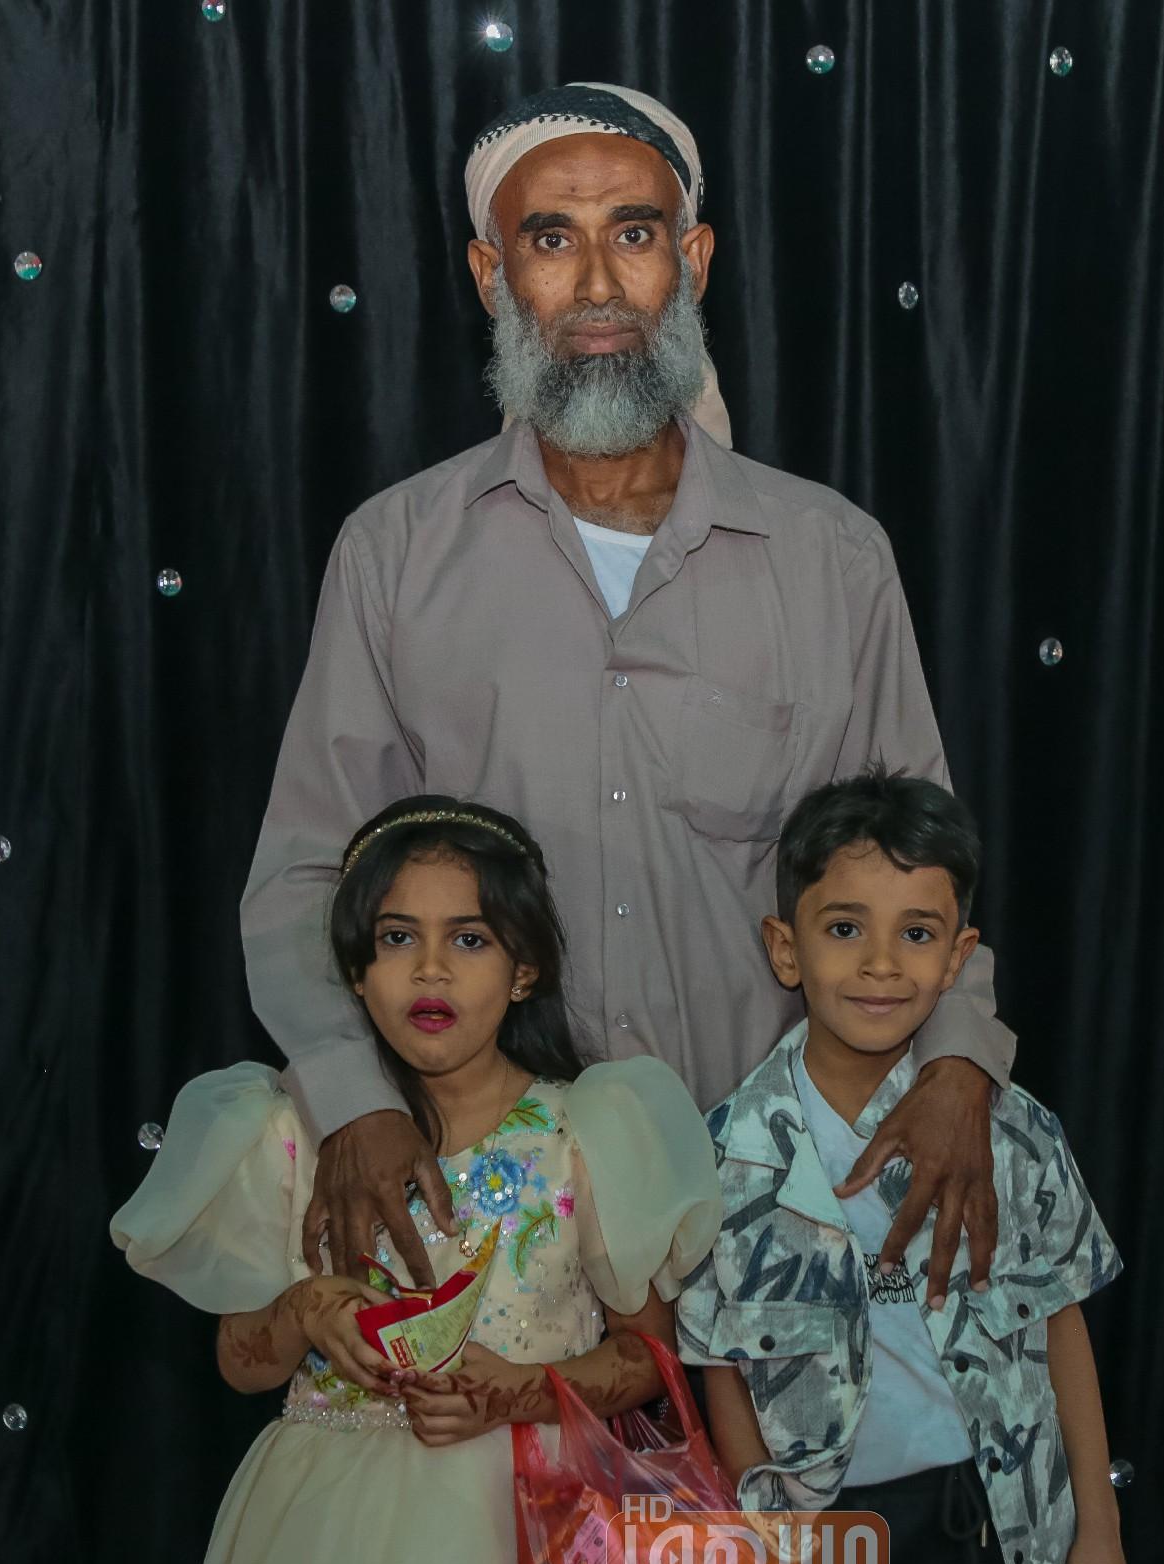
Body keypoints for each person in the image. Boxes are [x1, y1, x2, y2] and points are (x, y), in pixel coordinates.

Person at [241, 81, 1015, 1321]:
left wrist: (961, 1063)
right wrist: (354, 1100)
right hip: (490, 1222)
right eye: (551, 238)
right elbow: (304, 874)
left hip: (773, 1206)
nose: (597, 282)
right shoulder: (395, 555)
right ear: (492, 274)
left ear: (690, 261)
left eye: (635, 233)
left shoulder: (828, 557)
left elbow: (921, 866)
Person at [111, 798, 721, 1564]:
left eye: (468, 940)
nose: (430, 970)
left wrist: (522, 1391)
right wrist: (305, 1311)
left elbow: (647, 1358)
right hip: (322, 1536)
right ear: (355, 972)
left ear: (523, 969)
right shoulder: (291, 1133)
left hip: (526, 1538)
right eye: (397, 939)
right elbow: (240, 1363)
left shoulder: (584, 1130)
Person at [676, 769, 1131, 1564]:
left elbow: (1059, 1329)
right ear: (784, 947)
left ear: (956, 958)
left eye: (916, 934)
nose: (880, 963)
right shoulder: (725, 1155)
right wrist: (769, 1539)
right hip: (834, 1548)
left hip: (1006, 1536)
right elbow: (718, 1362)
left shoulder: (1011, 1132)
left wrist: (1096, 1531)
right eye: (844, 928)